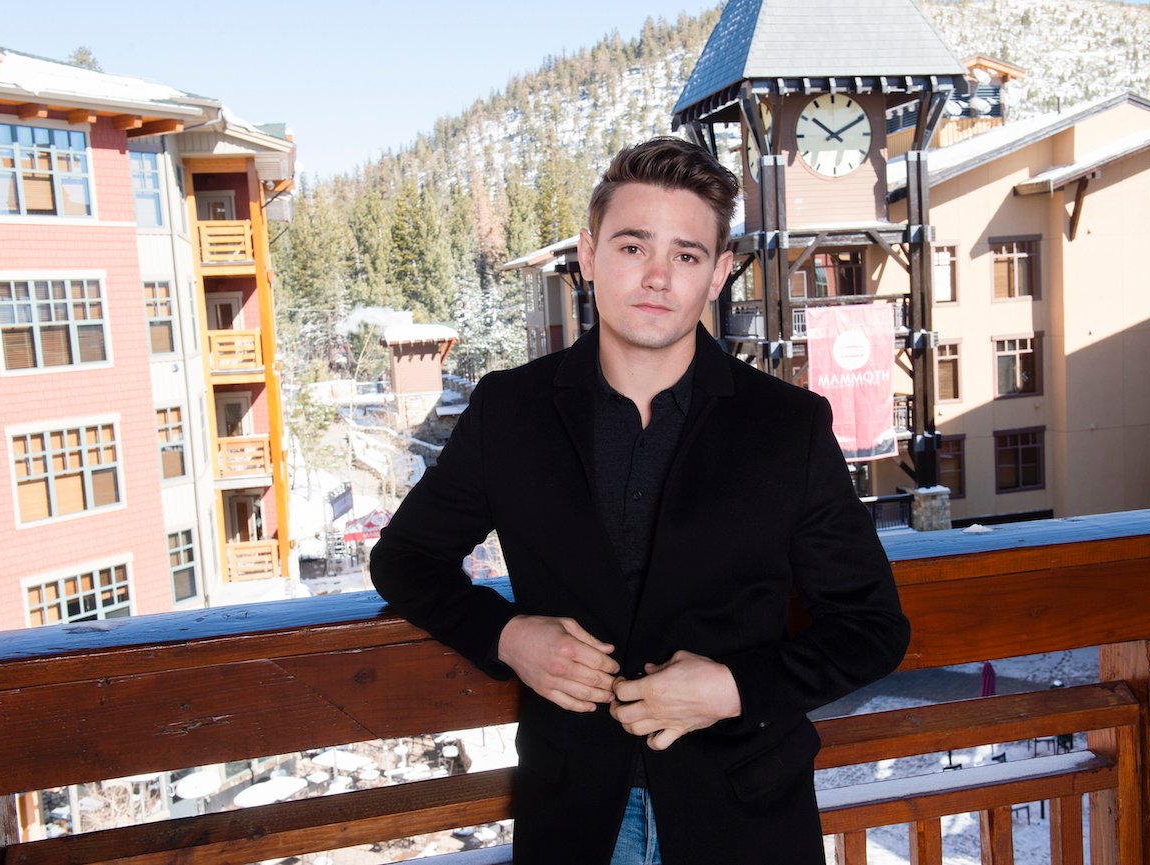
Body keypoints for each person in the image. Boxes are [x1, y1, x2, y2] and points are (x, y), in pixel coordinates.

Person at [370, 136, 908, 865]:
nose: (657, 277)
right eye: (632, 247)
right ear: (589, 255)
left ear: (717, 274)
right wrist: (509, 638)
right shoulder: (511, 411)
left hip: (744, 813)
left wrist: (730, 687)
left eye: (686, 255)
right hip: (576, 814)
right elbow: (405, 559)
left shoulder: (787, 425)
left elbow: (872, 627)